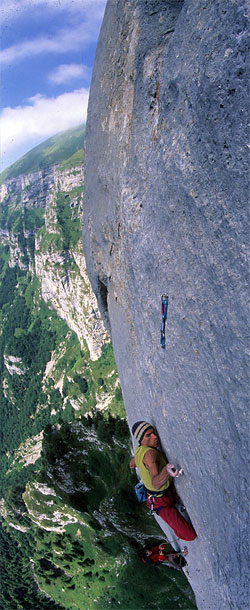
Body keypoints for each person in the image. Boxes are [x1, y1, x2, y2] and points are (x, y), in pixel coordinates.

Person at [130, 421, 197, 541]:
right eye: (148, 435)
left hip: (159, 497)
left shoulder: (139, 450)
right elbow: (156, 484)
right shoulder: (150, 454)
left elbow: (132, 463)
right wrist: (166, 470)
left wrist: (137, 462)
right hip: (160, 501)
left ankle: (173, 502)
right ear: (141, 440)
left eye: (153, 433)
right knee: (189, 536)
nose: (155, 436)